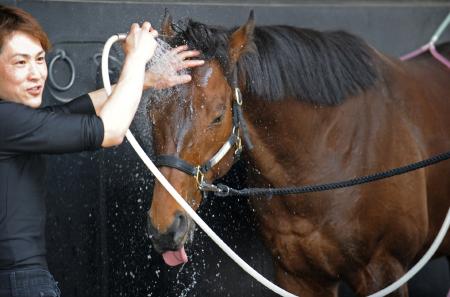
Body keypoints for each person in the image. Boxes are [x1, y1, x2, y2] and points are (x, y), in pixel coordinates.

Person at [0, 5, 204, 297]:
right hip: (18, 285)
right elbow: (111, 131)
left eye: (40, 59)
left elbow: (68, 112)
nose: (36, 74)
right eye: (20, 63)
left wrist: (145, 79)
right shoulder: (5, 119)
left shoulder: (11, 121)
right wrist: (135, 59)